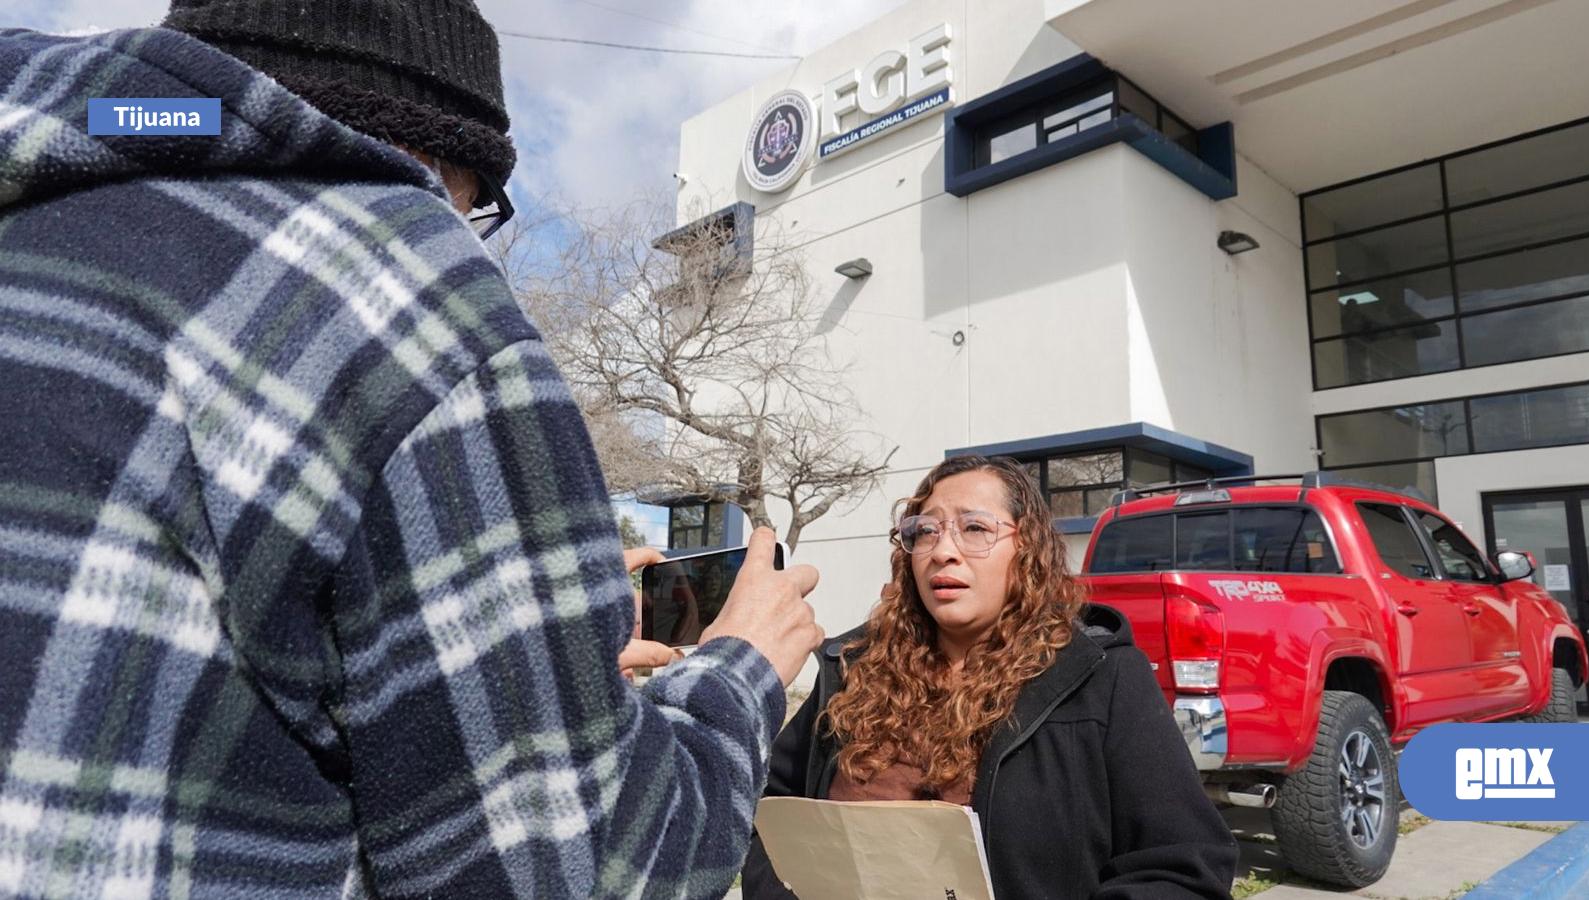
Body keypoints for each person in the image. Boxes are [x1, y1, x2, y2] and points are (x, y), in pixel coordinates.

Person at [0, 3, 823, 898]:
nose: (462, 231)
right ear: (437, 160)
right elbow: (582, 869)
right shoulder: (403, 288)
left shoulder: (48, 205)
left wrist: (522, 666)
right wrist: (740, 667)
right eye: (478, 210)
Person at [742, 455, 1238, 898]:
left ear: (1026, 548)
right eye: (925, 531)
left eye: (975, 529)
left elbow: (1185, 866)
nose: (943, 551)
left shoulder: (1099, 676)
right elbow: (765, 815)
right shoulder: (852, 670)